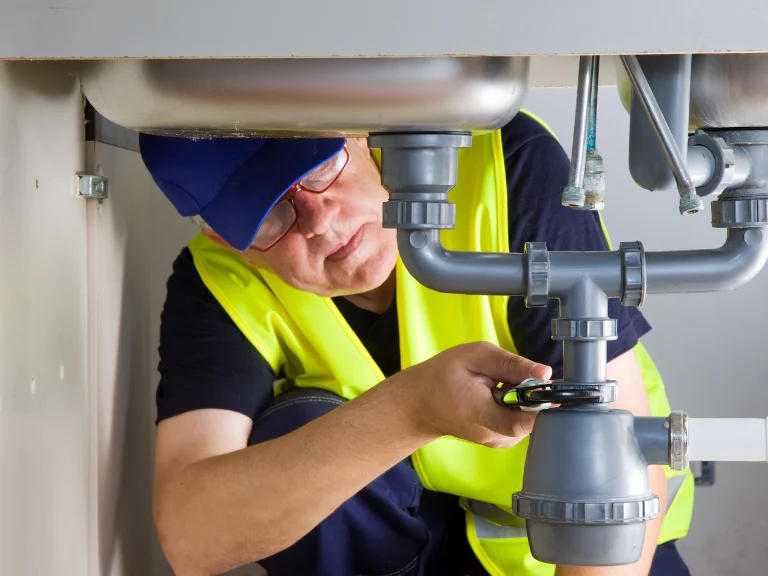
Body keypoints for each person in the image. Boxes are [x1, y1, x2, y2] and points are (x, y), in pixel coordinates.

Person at [141, 111, 694, 576]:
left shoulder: (502, 164)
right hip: (412, 559)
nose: (318, 221)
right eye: (268, 215)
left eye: (319, 169)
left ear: (357, 133)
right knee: (294, 432)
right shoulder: (218, 282)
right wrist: (408, 410)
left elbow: (616, 431)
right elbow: (192, 533)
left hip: (609, 549)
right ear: (222, 235)